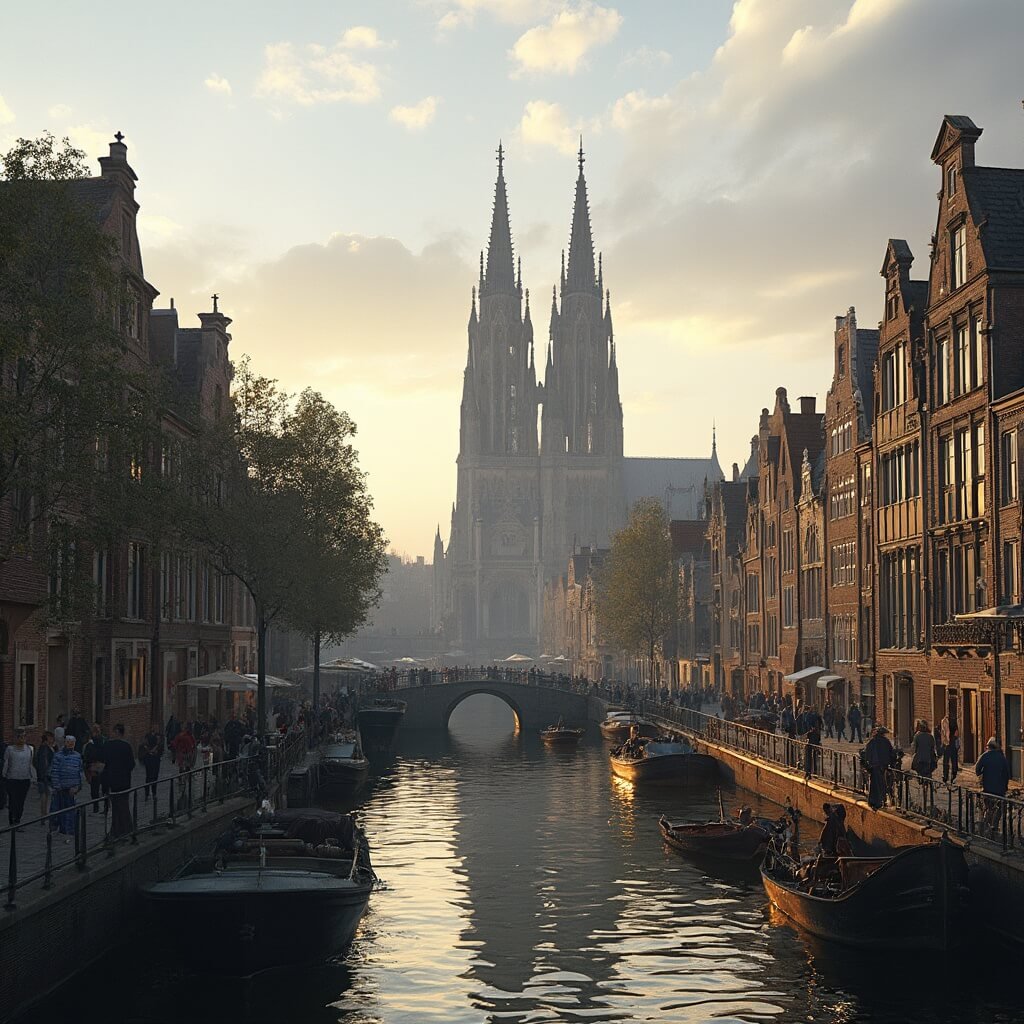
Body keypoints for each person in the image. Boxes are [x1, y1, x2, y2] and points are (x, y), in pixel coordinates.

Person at [103, 723, 135, 839]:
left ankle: (117, 829)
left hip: (111, 780)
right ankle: (125, 829)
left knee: (115, 805)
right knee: (123, 804)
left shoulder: (108, 745)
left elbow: (104, 762)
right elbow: (131, 764)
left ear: (116, 732)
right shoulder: (127, 746)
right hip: (124, 781)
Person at [49, 735, 84, 840]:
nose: (70, 744)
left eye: (72, 742)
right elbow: (54, 771)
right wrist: (57, 786)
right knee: (57, 808)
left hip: (72, 788)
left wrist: (78, 786)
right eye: (68, 742)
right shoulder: (58, 756)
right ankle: (57, 828)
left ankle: (69, 829)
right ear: (65, 742)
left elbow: (79, 771)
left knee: (70, 809)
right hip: (60, 788)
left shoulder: (77, 756)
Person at [2, 728, 36, 827]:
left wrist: (33, 777)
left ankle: (18, 820)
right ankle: (12, 821)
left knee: (21, 801)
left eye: (24, 736)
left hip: (25, 779)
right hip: (12, 779)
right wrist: (4, 775)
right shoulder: (10, 749)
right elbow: (6, 763)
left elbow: (31, 764)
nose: (22, 739)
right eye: (19, 737)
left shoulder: (30, 749)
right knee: (13, 800)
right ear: (15, 738)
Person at [976, 737, 1011, 833]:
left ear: (988, 747)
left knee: (988, 806)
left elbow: (977, 770)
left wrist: (983, 772)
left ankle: (987, 824)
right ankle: (994, 826)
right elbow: (1007, 774)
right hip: (1000, 789)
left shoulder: (985, 756)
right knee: (999, 808)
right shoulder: (1002, 758)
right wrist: (1005, 786)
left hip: (987, 787)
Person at [862, 726, 895, 810]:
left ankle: (875, 800)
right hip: (882, 765)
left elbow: (867, 754)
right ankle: (881, 799)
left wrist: (867, 764)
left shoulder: (872, 742)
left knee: (875, 783)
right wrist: (890, 764)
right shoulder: (886, 742)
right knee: (882, 783)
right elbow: (891, 754)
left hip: (874, 766)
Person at [910, 719, 938, 803]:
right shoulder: (930, 737)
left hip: (919, 760)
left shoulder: (917, 736)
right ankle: (927, 786)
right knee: (928, 774)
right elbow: (933, 748)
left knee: (920, 773)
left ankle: (922, 783)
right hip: (928, 760)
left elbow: (913, 749)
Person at [83, 724, 108, 813]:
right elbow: (86, 758)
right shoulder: (90, 744)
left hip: (102, 768)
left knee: (103, 789)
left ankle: (103, 807)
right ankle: (97, 807)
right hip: (95, 769)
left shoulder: (104, 741)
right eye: (95, 731)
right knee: (96, 790)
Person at [35, 731, 55, 822]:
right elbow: (44, 763)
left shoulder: (43, 748)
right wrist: (45, 774)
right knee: (44, 794)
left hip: (43, 774)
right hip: (45, 775)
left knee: (45, 794)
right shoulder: (45, 748)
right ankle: (43, 814)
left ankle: (44, 813)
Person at [140, 725, 163, 800]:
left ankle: (154, 793)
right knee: (148, 776)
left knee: (155, 776)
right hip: (149, 758)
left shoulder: (160, 736)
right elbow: (144, 745)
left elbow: (161, 747)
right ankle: (147, 793)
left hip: (156, 759)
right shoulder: (147, 736)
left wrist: (157, 750)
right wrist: (149, 751)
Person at [940, 714, 960, 783]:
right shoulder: (953, 722)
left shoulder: (944, 722)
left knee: (946, 760)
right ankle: (953, 775)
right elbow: (956, 733)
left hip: (948, 743)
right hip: (951, 743)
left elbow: (944, 733)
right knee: (953, 759)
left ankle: (946, 776)